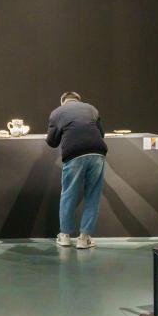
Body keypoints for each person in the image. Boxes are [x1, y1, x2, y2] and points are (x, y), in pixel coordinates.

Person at [46, 91, 108, 249]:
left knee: (69, 194)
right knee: (92, 194)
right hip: (97, 152)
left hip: (74, 154)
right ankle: (84, 238)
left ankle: (65, 236)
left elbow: (52, 142)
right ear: (79, 100)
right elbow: (102, 133)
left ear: (63, 101)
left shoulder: (57, 112)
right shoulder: (91, 109)